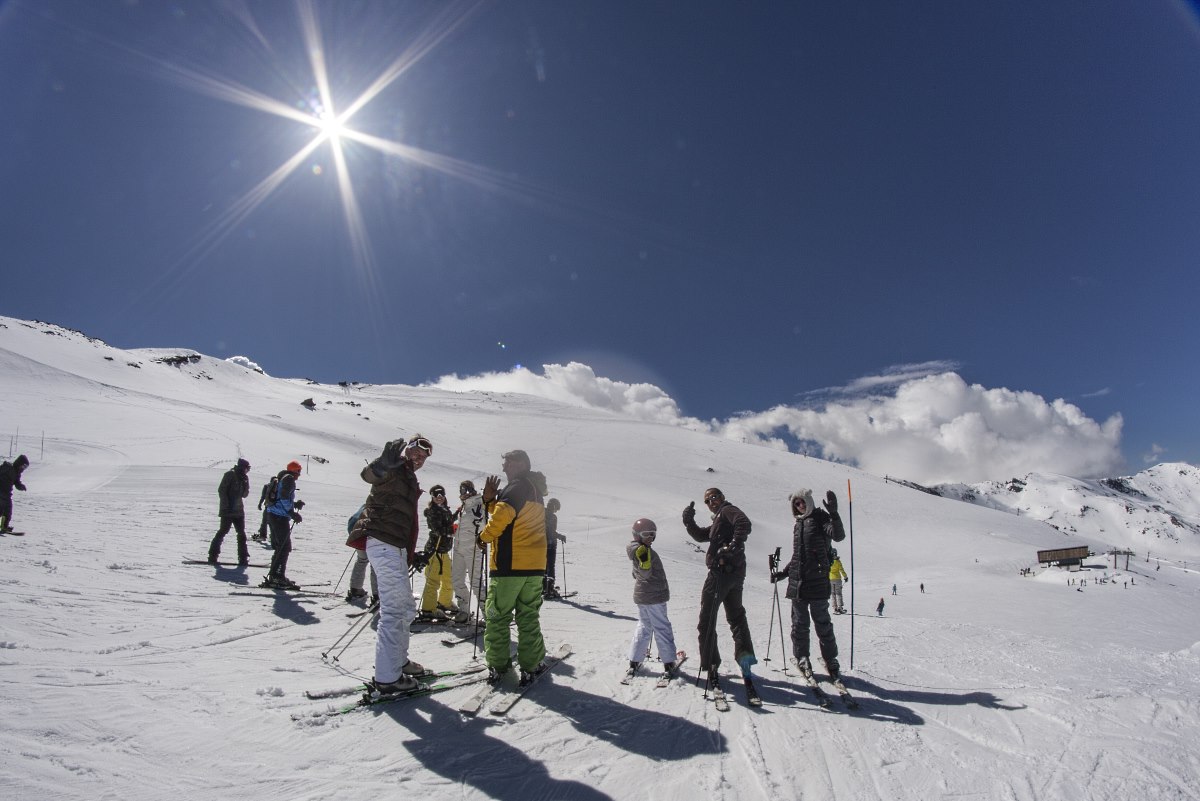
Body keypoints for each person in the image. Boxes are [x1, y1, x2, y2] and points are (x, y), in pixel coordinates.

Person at [348, 435, 433, 694]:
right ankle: (387, 679)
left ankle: (398, 661)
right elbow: (369, 475)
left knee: (406, 609)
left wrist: (410, 552)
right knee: (394, 610)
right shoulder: (394, 466)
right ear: (407, 449)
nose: (418, 458)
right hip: (383, 542)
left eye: (423, 456)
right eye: (416, 451)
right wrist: (382, 464)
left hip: (395, 546)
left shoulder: (408, 475)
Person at [477, 449, 548, 686]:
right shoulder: (534, 489)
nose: (504, 468)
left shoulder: (516, 486)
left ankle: (498, 665)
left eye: (507, 463)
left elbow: (502, 518)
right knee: (528, 616)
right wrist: (490, 502)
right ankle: (532, 664)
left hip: (509, 565)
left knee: (497, 616)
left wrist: (483, 537)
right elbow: (511, 515)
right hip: (534, 566)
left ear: (520, 464)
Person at [682, 487, 757, 688]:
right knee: (736, 617)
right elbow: (701, 536)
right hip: (735, 574)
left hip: (720, 573)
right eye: (708, 500)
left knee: (707, 619)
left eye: (714, 497)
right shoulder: (719, 520)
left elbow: (744, 523)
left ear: (722, 497)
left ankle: (712, 664)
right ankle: (746, 661)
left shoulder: (727, 511)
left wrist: (733, 544)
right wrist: (689, 522)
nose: (711, 501)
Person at [771, 488, 846, 680]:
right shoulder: (799, 524)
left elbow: (838, 536)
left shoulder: (821, 518)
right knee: (799, 624)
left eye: (802, 501)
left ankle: (831, 660)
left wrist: (834, 514)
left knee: (823, 624)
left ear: (809, 500)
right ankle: (802, 657)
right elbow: (798, 556)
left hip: (818, 581)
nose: (800, 505)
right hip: (798, 584)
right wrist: (784, 573)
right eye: (796, 504)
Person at [625, 518, 678, 677]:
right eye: (646, 534)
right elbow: (646, 572)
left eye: (653, 535)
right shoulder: (643, 550)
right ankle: (668, 662)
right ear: (637, 534)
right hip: (654, 596)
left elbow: (636, 573)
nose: (650, 538)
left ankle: (634, 660)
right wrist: (645, 565)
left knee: (644, 625)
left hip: (643, 595)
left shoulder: (636, 549)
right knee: (661, 626)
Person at [416, 485, 456, 622]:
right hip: (435, 550)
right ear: (432, 498)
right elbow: (437, 530)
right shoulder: (432, 511)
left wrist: (456, 515)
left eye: (441, 496)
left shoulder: (445, 509)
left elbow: (448, 522)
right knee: (433, 580)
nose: (439, 498)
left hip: (444, 550)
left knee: (448, 578)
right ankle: (428, 609)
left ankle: (444, 602)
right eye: (436, 496)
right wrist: (451, 531)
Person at [263, 461, 304, 589]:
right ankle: (278, 577)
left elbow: (282, 497)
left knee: (280, 546)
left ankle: (275, 575)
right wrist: (292, 512)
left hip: (273, 514)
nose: (299, 474)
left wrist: (295, 504)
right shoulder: (289, 479)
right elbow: (285, 498)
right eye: (299, 471)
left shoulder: (282, 477)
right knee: (284, 547)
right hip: (279, 517)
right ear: (295, 470)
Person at [450, 480, 485, 624]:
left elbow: (483, 524)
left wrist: (480, 520)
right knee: (457, 580)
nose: (463, 494)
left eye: (465, 490)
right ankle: (463, 610)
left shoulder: (479, 504)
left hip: (473, 548)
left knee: (476, 582)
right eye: (461, 491)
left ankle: (488, 613)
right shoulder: (463, 508)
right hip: (458, 548)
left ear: (472, 490)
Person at [208, 458, 251, 565]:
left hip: (239, 511)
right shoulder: (230, 475)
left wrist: (246, 483)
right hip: (228, 510)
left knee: (241, 534)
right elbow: (222, 491)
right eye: (247, 468)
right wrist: (226, 506)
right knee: (223, 531)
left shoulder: (244, 478)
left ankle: (243, 558)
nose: (247, 471)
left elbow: (244, 495)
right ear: (242, 467)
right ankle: (213, 555)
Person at [345, 504, 377, 604]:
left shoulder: (368, 503)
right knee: (375, 564)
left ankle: (355, 589)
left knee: (362, 559)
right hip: (368, 534)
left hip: (356, 532)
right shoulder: (381, 506)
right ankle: (378, 595)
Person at [543, 498, 568, 599]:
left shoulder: (541, 512)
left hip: (541, 543)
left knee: (543, 565)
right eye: (556, 509)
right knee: (551, 565)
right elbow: (551, 532)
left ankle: (544, 587)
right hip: (551, 543)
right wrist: (561, 536)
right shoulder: (553, 517)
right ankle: (550, 589)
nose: (555, 511)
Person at [0, 454, 30, 532]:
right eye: (23, 466)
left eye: (25, 467)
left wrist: (21, 486)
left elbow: (17, 483)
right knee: (7, 509)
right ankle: (4, 526)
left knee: (2, 509)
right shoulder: (7, 468)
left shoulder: (17, 473)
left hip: (5, 493)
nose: (23, 469)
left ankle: (3, 526)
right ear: (19, 463)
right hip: (3, 492)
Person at [252, 476, 278, 543]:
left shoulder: (267, 486)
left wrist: (260, 504)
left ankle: (262, 536)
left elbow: (263, 496)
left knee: (264, 522)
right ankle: (273, 536)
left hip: (268, 506)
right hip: (276, 508)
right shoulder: (278, 487)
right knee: (273, 523)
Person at [829, 547, 849, 614]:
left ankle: (835, 608)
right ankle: (840, 608)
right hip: (837, 579)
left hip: (830, 579)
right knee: (838, 593)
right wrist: (845, 577)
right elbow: (841, 570)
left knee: (833, 594)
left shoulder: (829, 561)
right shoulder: (837, 561)